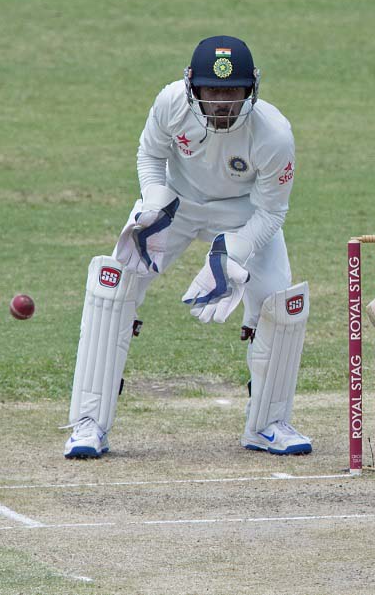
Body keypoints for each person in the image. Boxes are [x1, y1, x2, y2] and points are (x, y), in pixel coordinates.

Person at [63, 36, 312, 459]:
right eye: (211, 91)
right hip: (174, 205)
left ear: (250, 90)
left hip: (241, 214)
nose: (221, 102)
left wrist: (234, 251)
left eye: (232, 91)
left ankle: (268, 423)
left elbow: (272, 213)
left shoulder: (274, 135)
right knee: (114, 284)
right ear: (192, 88)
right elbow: (149, 155)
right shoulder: (171, 103)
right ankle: (89, 424)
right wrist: (153, 201)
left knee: (280, 301)